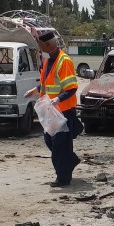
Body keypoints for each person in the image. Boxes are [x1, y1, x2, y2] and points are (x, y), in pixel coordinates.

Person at [25, 31, 82, 187]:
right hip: (51, 111)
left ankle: (63, 178)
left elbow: (71, 87)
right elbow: (47, 82)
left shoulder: (64, 61)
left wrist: (58, 99)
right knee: (50, 141)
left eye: (40, 45)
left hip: (62, 111)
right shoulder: (48, 60)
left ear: (48, 45)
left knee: (60, 145)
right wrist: (36, 90)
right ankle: (70, 160)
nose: (38, 47)